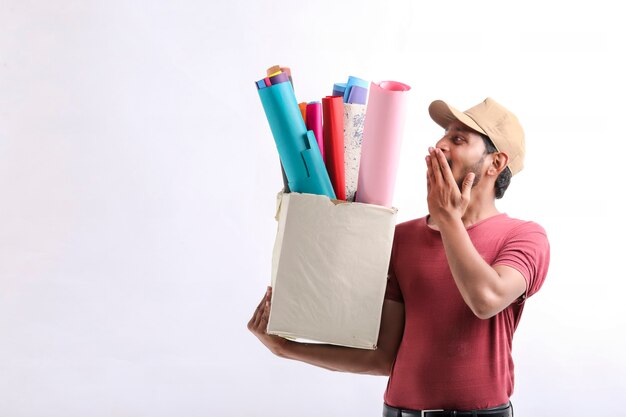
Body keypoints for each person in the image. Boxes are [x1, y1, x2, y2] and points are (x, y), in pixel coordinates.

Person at [248, 97, 550, 417]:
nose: (440, 145)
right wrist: (286, 348)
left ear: (496, 163)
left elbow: (486, 299)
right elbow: (383, 356)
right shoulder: (402, 238)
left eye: (458, 139)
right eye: (444, 135)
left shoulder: (524, 237)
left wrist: (447, 220)